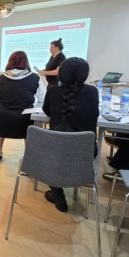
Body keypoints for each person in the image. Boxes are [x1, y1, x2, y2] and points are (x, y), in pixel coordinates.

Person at [42, 58, 99, 212]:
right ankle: (73, 180)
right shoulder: (92, 92)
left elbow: (46, 111)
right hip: (85, 151)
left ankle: (56, 191)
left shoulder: (53, 91)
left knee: (56, 148)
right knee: (68, 151)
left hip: (55, 149)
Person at [0, 51, 46, 159]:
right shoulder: (35, 78)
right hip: (25, 120)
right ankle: (28, 152)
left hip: (2, 120)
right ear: (26, 62)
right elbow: (43, 98)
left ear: (9, 62)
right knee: (32, 119)